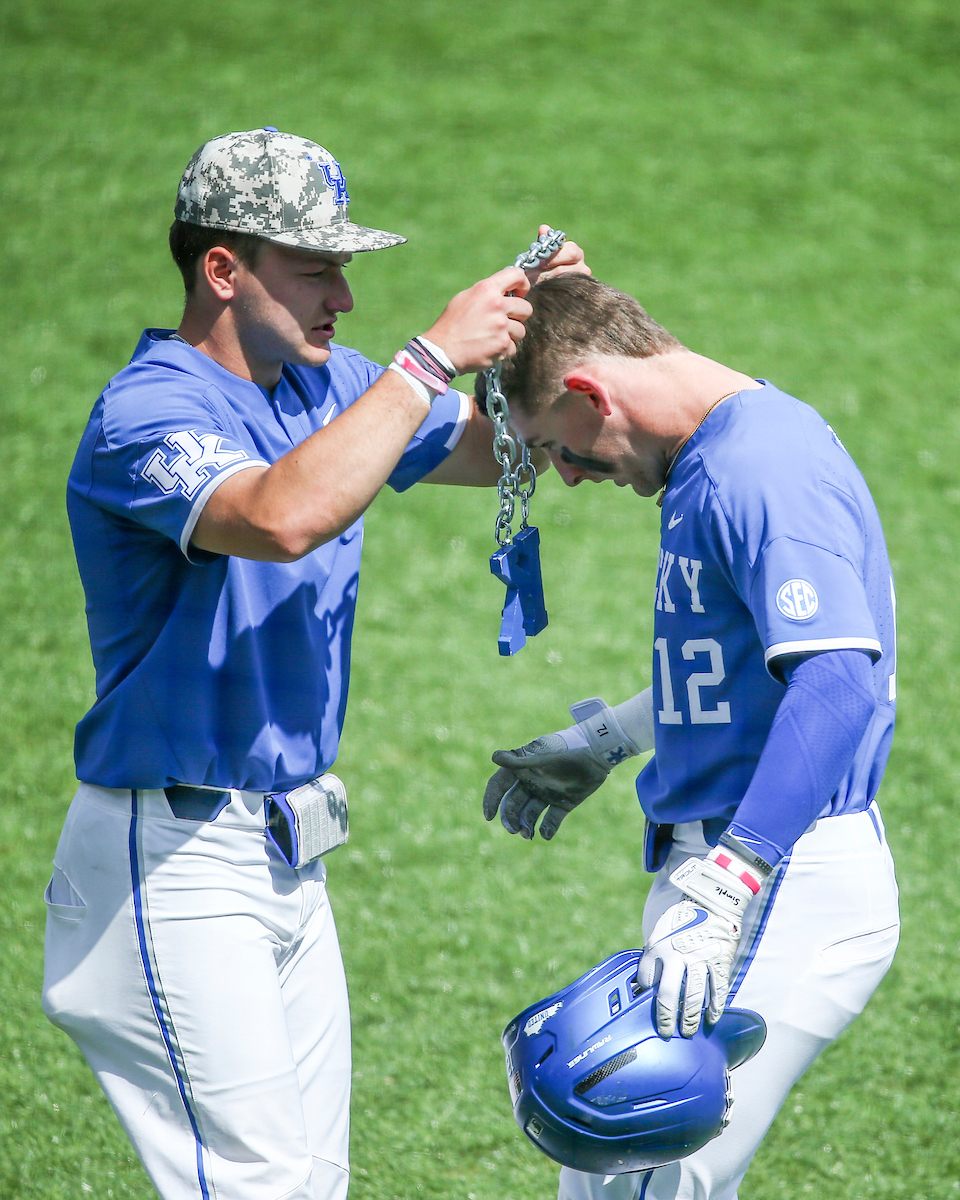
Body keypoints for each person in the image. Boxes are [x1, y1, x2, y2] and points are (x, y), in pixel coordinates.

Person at [42, 126, 587, 1200]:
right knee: (260, 1189)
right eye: (314, 267)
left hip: (289, 861)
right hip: (174, 864)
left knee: (307, 1186)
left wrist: (552, 328)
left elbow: (502, 447)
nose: (341, 292)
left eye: (344, 265)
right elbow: (279, 515)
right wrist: (427, 358)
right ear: (224, 269)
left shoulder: (322, 388)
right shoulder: (148, 412)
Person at [483, 274, 900, 1200]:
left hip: (772, 873)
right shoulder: (714, 456)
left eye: (557, 447)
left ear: (590, 395)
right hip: (743, 870)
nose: (573, 477)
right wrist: (610, 739)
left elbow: (836, 682)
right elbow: (754, 667)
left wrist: (732, 883)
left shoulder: (761, 465)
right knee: (610, 1184)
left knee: (636, 1180)